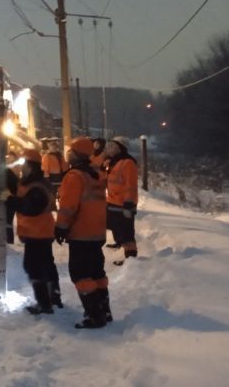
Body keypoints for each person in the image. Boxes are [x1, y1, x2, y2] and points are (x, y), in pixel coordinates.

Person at [55, 136, 111, 329]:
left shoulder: (74, 176)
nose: (67, 154)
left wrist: (61, 227)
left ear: (75, 154)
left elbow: (68, 207)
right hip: (97, 232)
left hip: (80, 232)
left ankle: (94, 315)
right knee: (97, 272)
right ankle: (104, 310)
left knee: (80, 274)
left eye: (69, 151)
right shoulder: (97, 173)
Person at [7, 148, 61, 314]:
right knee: (46, 264)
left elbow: (30, 208)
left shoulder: (37, 187)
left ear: (31, 166)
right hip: (40, 232)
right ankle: (54, 297)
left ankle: (44, 303)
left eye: (24, 164)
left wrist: (10, 200)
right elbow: (20, 190)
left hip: (38, 233)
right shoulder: (33, 182)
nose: (21, 168)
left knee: (33, 266)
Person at [105, 136, 139, 264]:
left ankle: (131, 258)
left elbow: (131, 185)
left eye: (114, 147)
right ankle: (119, 243)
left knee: (126, 232)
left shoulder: (128, 163)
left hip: (123, 205)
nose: (111, 149)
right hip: (113, 203)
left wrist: (128, 204)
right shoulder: (114, 162)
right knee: (115, 227)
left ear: (121, 148)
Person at [42, 138, 68, 208]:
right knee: (52, 193)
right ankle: (52, 206)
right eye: (52, 147)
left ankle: (62, 205)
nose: (54, 148)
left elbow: (64, 165)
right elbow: (45, 168)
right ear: (49, 148)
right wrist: (47, 177)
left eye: (55, 147)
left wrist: (66, 173)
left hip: (60, 176)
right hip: (52, 177)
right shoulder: (47, 156)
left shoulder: (60, 156)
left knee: (62, 193)